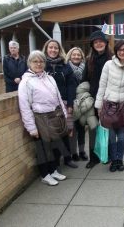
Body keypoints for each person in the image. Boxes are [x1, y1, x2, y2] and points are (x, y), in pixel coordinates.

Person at [18, 50, 67, 186]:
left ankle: (53, 170)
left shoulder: (49, 78)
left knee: (54, 145)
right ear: (30, 63)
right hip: (40, 118)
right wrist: (31, 128)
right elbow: (24, 106)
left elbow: (58, 97)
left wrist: (64, 113)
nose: (39, 64)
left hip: (54, 116)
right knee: (43, 148)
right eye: (35, 61)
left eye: (41, 61)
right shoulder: (26, 82)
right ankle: (45, 174)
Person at [95, 40, 124, 172]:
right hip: (108, 105)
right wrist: (99, 105)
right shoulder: (108, 64)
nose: (122, 52)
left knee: (122, 135)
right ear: (116, 52)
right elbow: (102, 85)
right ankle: (113, 160)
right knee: (111, 135)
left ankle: (120, 159)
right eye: (119, 50)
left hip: (123, 106)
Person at [43, 39, 78, 168]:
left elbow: (71, 85)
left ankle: (68, 158)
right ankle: (56, 161)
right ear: (46, 49)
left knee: (66, 131)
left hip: (63, 103)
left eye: (56, 48)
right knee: (54, 133)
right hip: (49, 105)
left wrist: (70, 104)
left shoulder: (65, 65)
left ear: (59, 50)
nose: (53, 50)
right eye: (50, 47)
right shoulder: (42, 64)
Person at [82, 29, 113, 169]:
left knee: (108, 128)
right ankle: (93, 158)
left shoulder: (112, 59)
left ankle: (107, 155)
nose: (99, 44)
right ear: (92, 45)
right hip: (93, 101)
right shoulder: (89, 60)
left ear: (105, 43)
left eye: (101, 41)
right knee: (93, 128)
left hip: (109, 100)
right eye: (96, 42)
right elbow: (84, 81)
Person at [65, 47, 88, 161]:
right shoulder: (66, 68)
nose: (76, 56)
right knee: (72, 129)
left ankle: (82, 151)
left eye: (78, 55)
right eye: (74, 54)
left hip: (83, 103)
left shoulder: (85, 68)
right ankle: (73, 152)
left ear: (81, 57)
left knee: (82, 128)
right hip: (71, 102)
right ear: (70, 56)